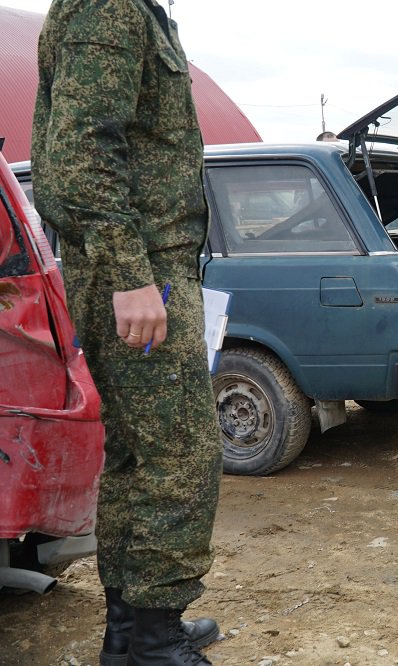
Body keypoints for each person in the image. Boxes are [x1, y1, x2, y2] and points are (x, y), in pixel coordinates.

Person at [32, 1, 222, 664]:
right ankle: (152, 639)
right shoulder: (108, 4)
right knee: (179, 457)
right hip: (141, 269)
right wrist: (129, 273)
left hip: (146, 264)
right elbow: (80, 152)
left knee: (141, 459)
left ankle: (134, 628)